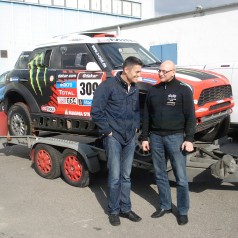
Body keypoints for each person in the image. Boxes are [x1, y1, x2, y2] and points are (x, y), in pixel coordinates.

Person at [141, 60, 196, 225]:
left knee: (181, 177)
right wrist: (145, 137)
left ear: (173, 72)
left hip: (176, 137)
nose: (160, 74)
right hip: (156, 138)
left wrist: (189, 139)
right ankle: (165, 205)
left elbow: (190, 117)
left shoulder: (183, 90)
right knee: (160, 174)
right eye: (159, 71)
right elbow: (146, 116)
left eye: (164, 71)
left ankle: (183, 211)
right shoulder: (153, 91)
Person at [91, 56, 143, 226]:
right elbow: (96, 111)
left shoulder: (134, 87)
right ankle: (113, 211)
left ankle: (126, 209)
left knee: (126, 176)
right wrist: (108, 131)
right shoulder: (107, 86)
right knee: (114, 177)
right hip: (114, 137)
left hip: (129, 137)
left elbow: (136, 111)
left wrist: (135, 126)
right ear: (126, 70)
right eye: (137, 71)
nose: (139, 75)